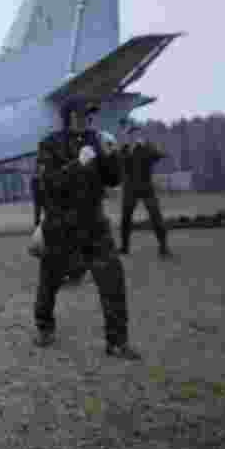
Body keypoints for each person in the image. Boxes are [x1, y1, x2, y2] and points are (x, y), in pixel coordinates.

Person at [31, 98, 141, 359]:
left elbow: (113, 180)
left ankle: (117, 342)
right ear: (68, 117)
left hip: (94, 225)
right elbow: (49, 184)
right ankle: (44, 327)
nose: (87, 120)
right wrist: (77, 164)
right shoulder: (50, 144)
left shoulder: (97, 140)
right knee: (49, 282)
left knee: (112, 281)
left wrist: (112, 154)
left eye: (89, 115)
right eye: (81, 115)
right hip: (60, 226)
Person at [118, 125, 171, 257]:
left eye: (136, 133)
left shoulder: (147, 147)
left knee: (155, 215)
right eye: (131, 134)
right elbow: (119, 162)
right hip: (130, 188)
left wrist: (149, 148)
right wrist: (127, 149)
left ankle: (163, 247)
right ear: (129, 136)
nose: (134, 136)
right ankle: (124, 247)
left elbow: (158, 155)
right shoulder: (125, 149)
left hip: (146, 187)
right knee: (125, 218)